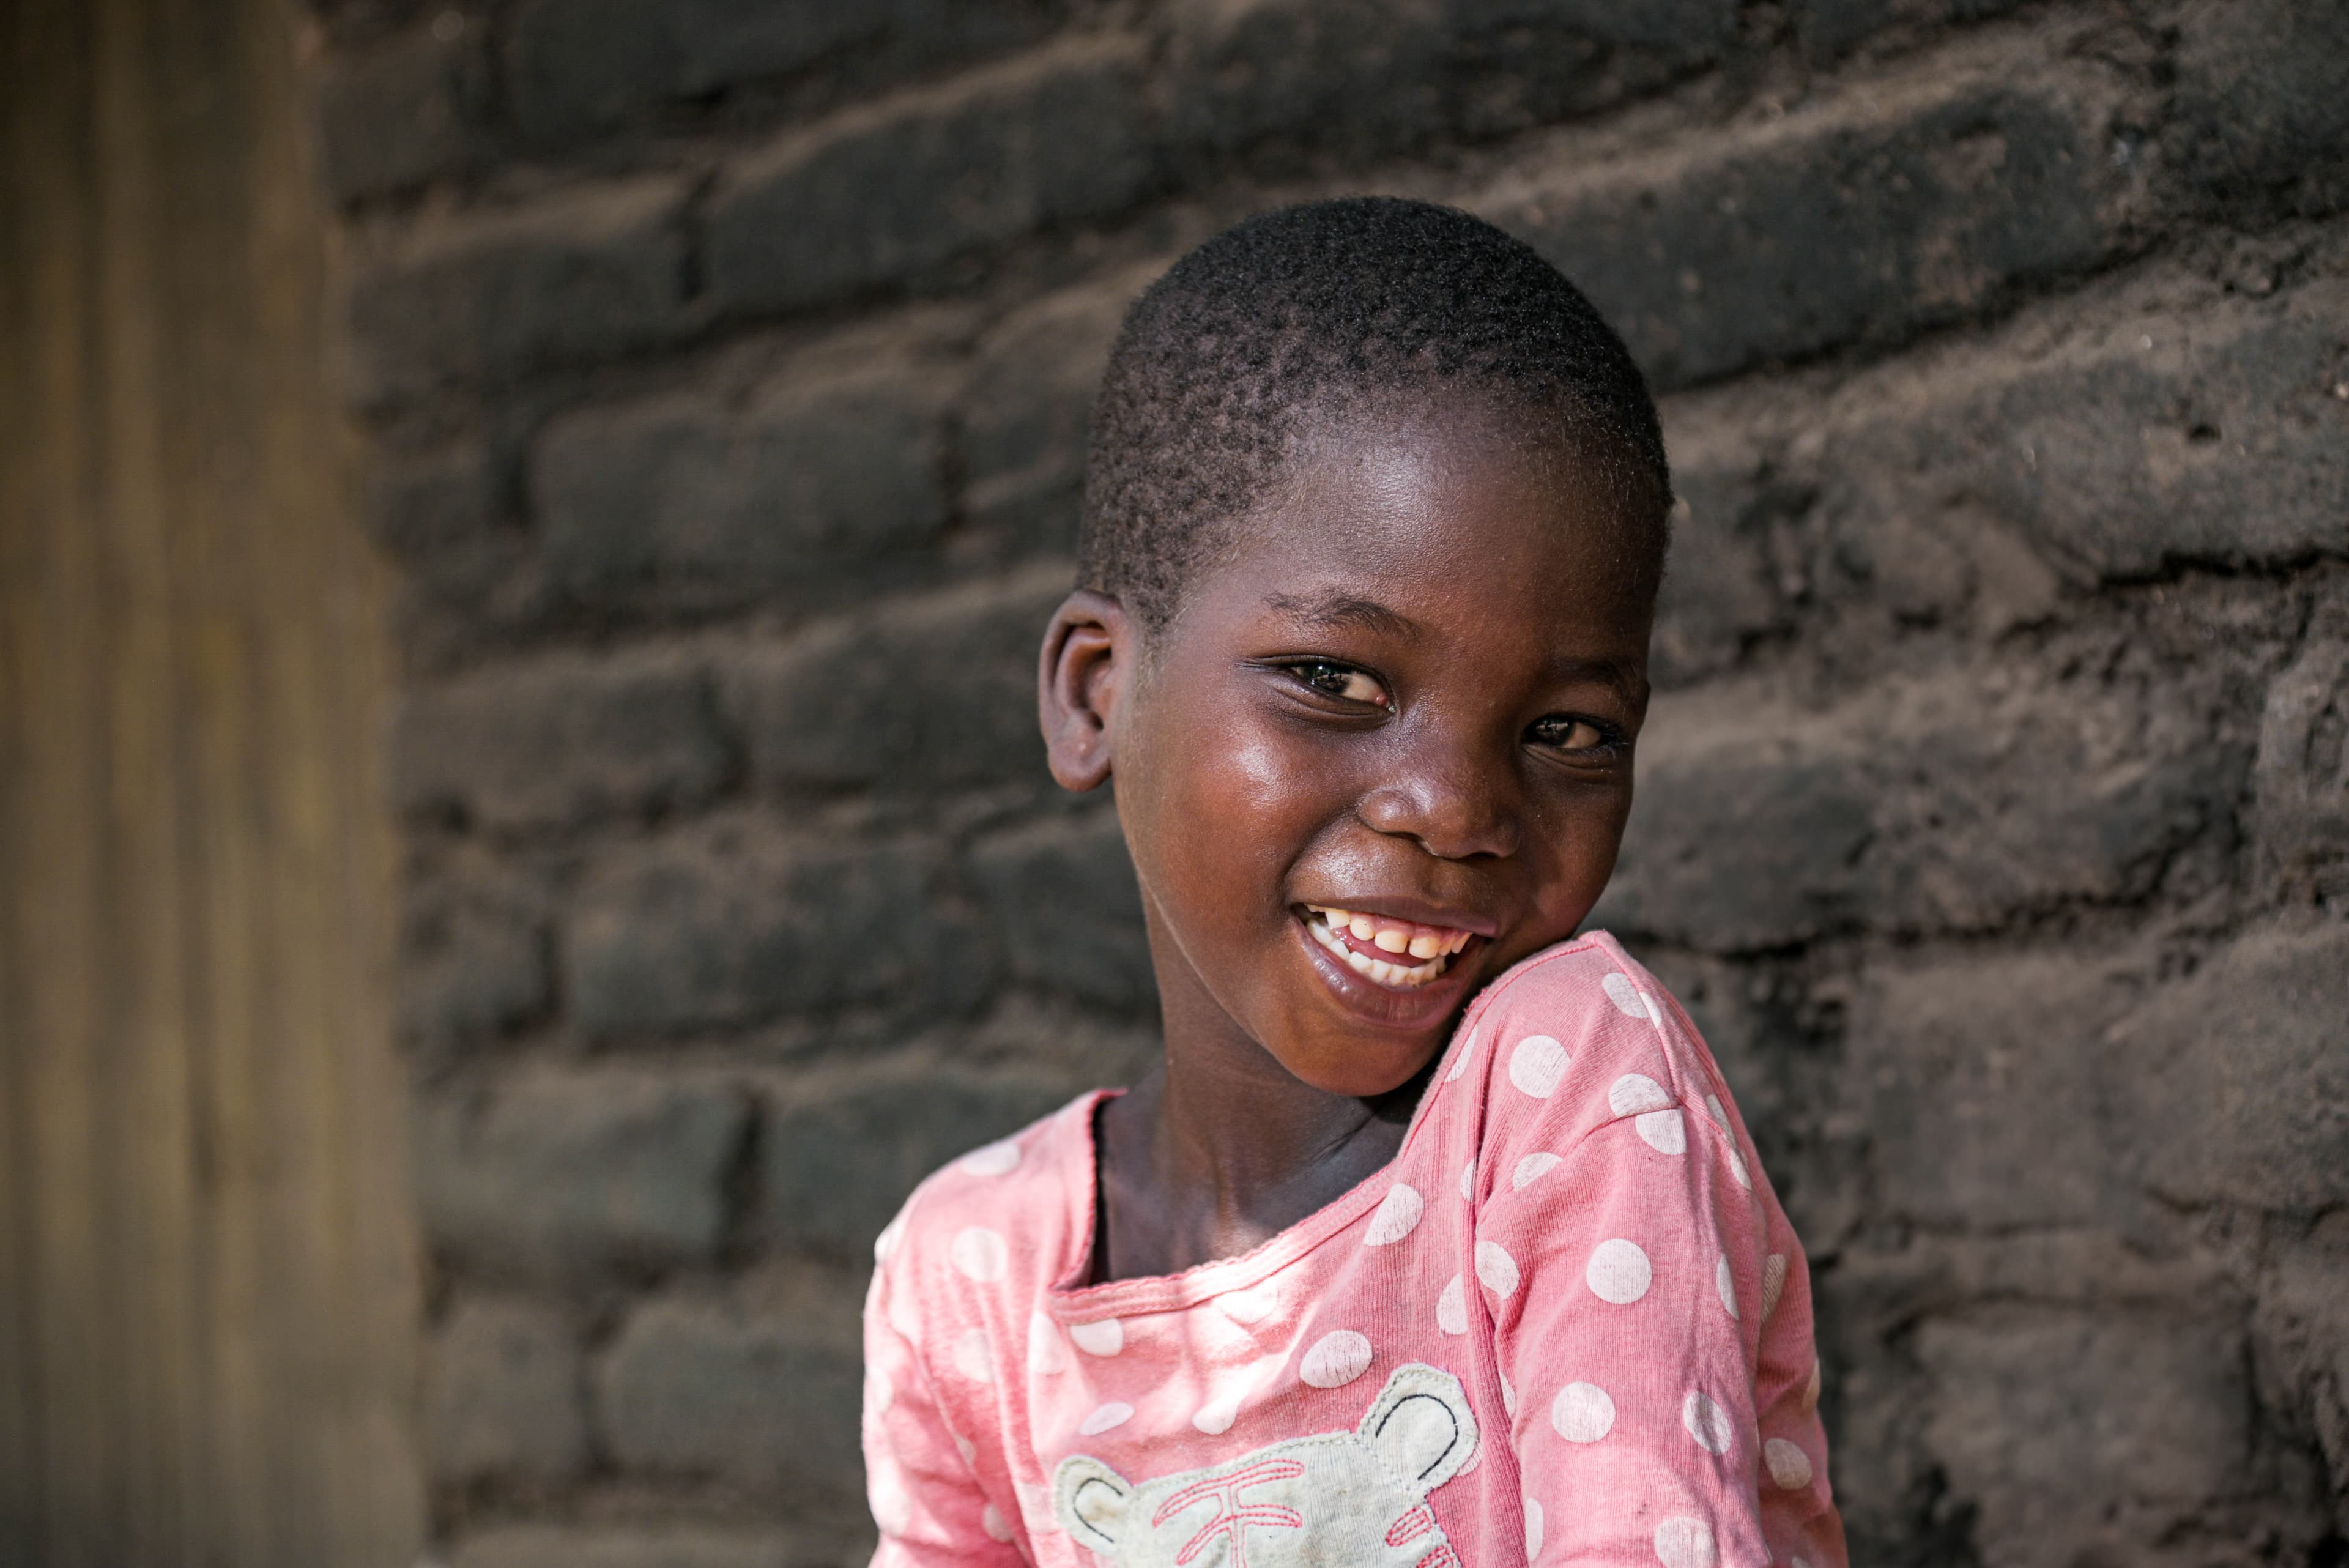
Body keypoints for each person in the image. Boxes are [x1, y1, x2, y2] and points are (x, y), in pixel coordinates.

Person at [859, 197, 1846, 1568]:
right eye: (1335, 680)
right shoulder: (970, 1275)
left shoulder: (1563, 1089)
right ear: (1099, 696)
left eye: (1565, 730)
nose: (1453, 810)